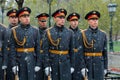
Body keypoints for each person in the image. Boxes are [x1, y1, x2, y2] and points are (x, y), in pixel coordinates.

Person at [10, 7, 40, 80]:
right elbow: (12, 48)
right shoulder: (14, 31)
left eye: (28, 16)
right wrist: (14, 64)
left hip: (32, 60)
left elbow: (38, 48)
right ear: (19, 18)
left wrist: (38, 64)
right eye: (24, 16)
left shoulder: (35, 30)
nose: (27, 18)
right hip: (20, 61)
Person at [44, 8, 75, 80]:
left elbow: (72, 51)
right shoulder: (48, 32)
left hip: (65, 64)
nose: (62, 19)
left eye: (63, 17)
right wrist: (47, 65)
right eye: (60, 17)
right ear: (55, 18)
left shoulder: (70, 32)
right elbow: (45, 51)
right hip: (53, 63)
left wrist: (72, 66)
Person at [82, 10, 108, 80]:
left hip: (99, 64)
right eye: (93, 19)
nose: (95, 21)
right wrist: (83, 67)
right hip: (88, 64)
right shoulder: (83, 34)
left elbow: (105, 53)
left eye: (96, 19)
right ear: (88, 21)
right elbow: (81, 53)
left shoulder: (103, 34)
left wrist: (105, 67)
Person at [67, 12, 86, 80]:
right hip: (68, 61)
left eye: (76, 20)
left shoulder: (82, 33)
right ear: (69, 21)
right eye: (72, 20)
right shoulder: (66, 32)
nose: (75, 22)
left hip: (79, 62)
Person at [35, 13, 49, 80]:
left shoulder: (50, 32)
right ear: (38, 21)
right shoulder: (35, 32)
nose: (43, 23)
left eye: (45, 21)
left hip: (47, 58)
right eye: (42, 21)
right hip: (38, 59)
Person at [5, 8, 18, 80]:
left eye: (16, 17)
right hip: (9, 60)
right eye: (12, 17)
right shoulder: (5, 31)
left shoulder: (22, 30)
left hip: (20, 59)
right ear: (9, 19)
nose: (14, 19)